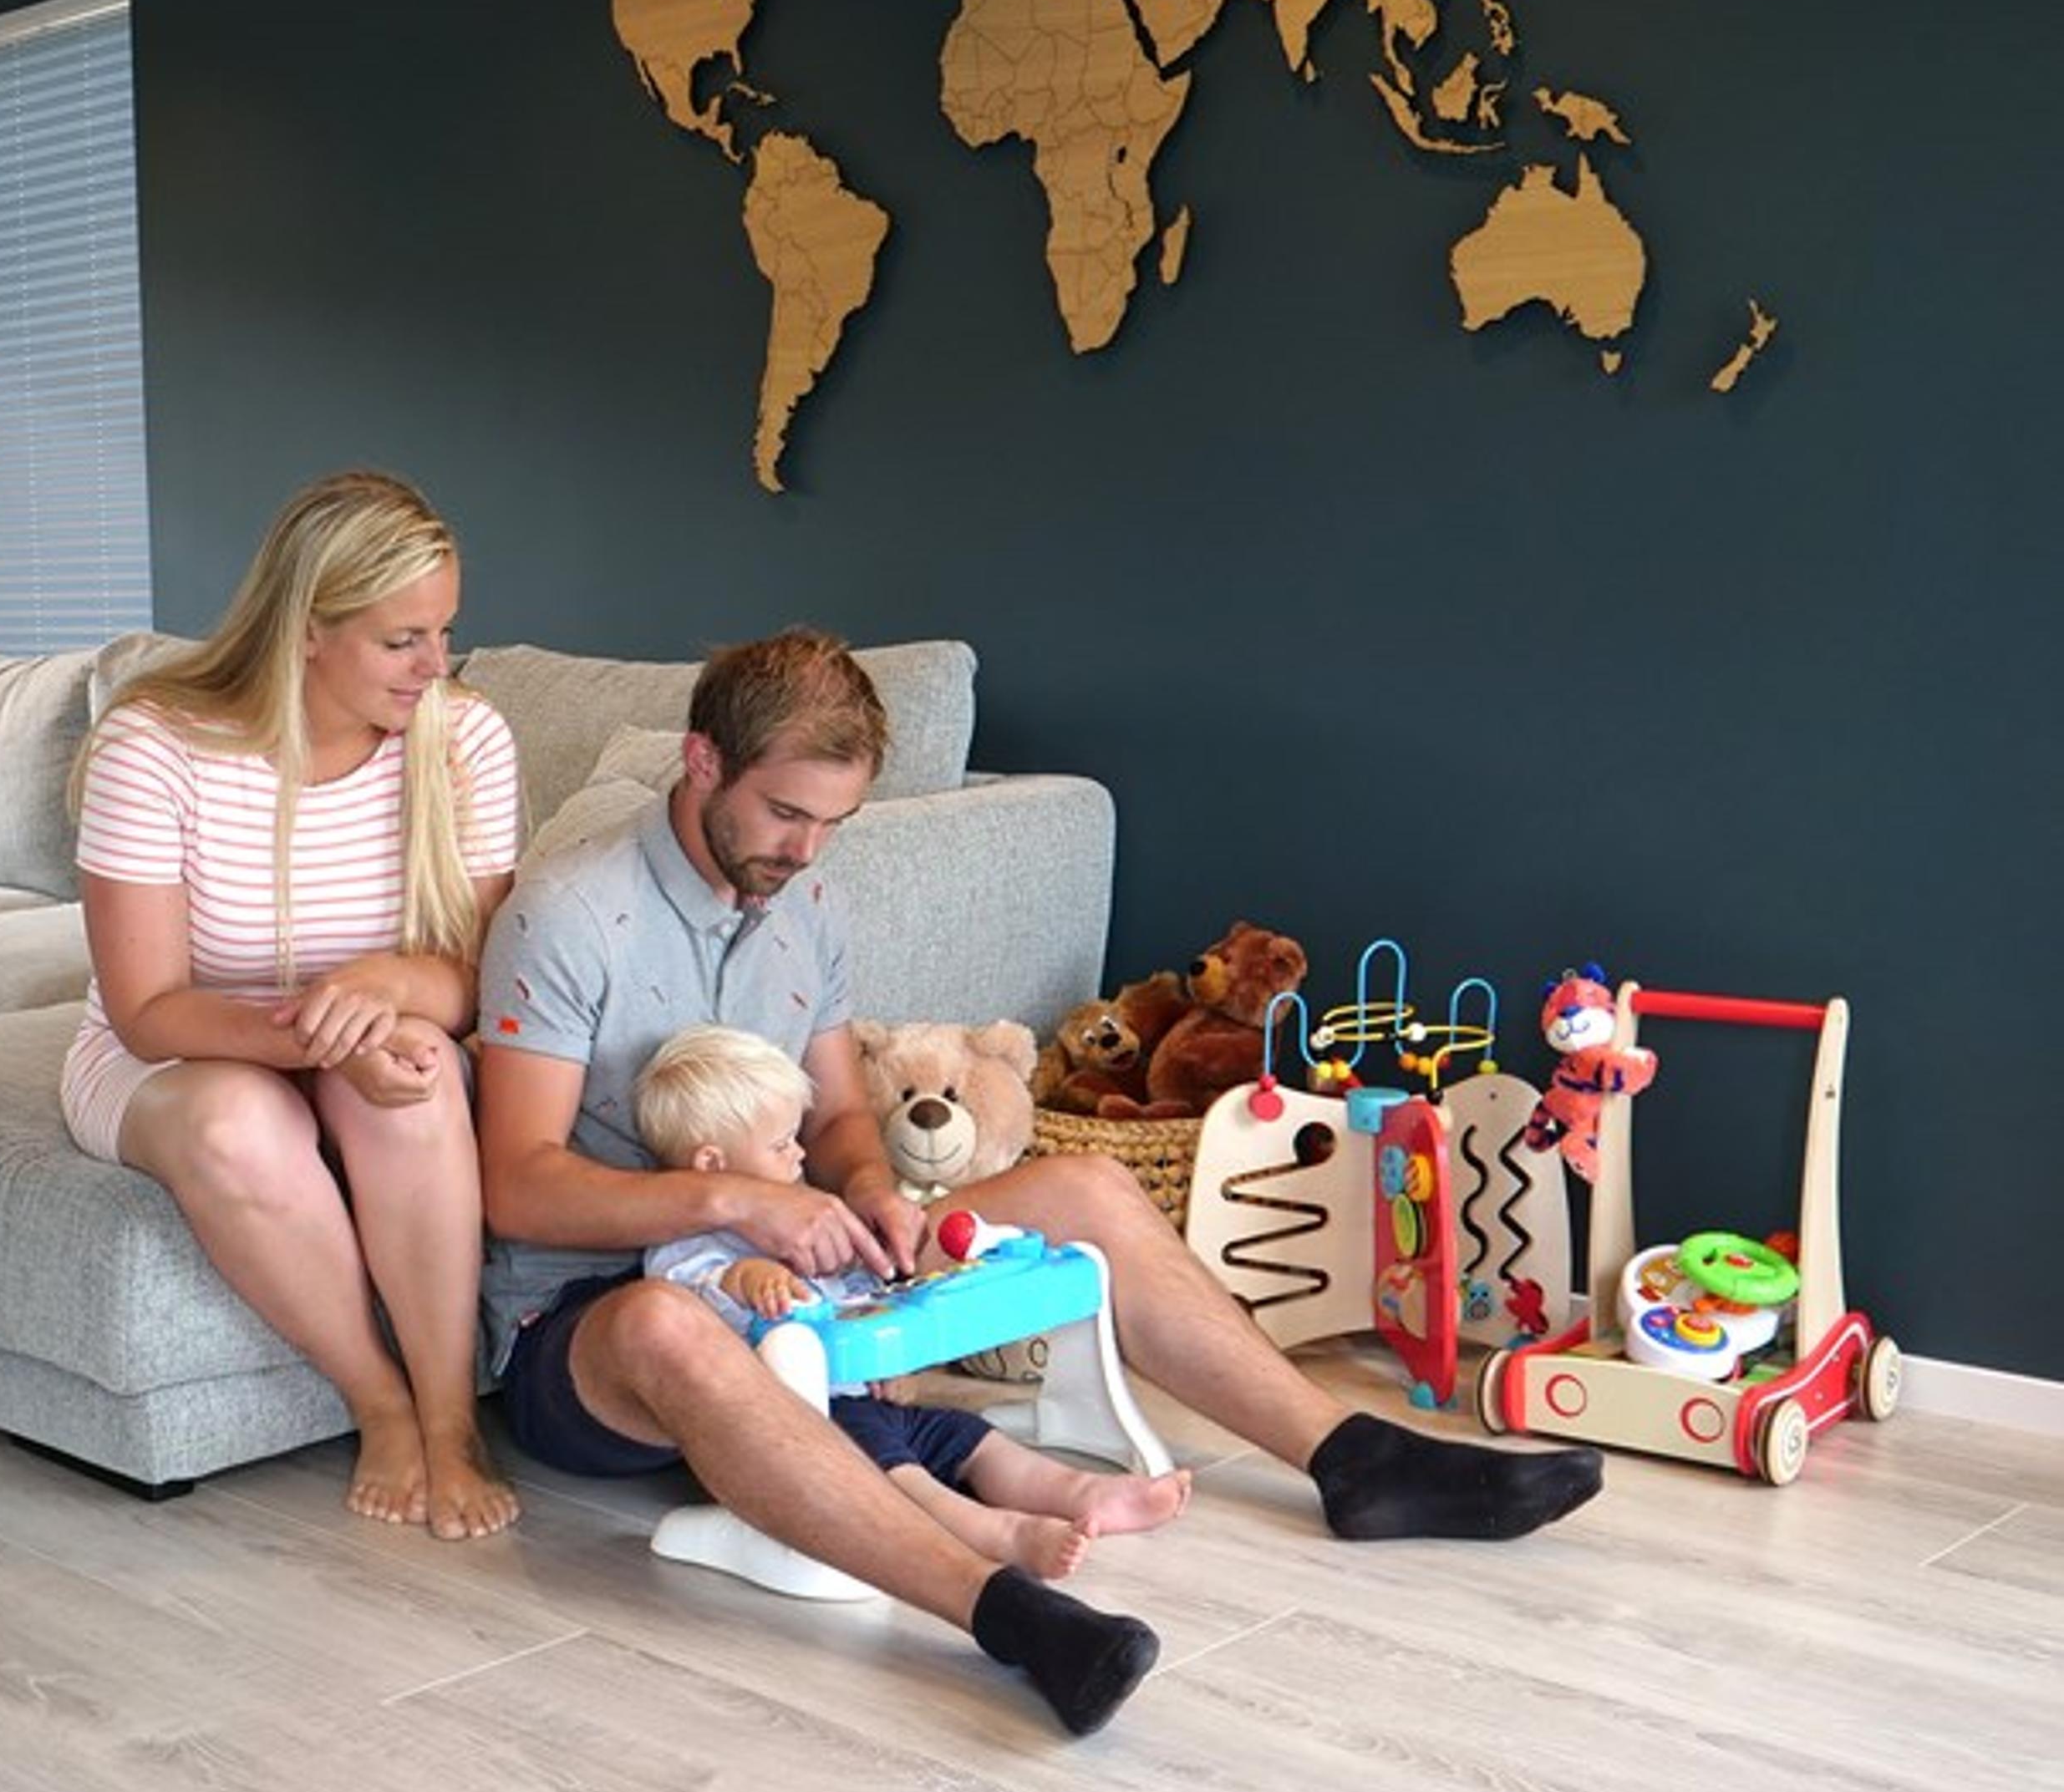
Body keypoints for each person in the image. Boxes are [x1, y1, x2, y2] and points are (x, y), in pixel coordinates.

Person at [476, 627, 1604, 1734]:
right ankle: (1006, 1615)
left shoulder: (801, 903)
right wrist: (735, 1200)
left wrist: (869, 1188)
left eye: (832, 822)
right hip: (594, 1321)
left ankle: (1356, 1460)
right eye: (784, 813)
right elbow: (519, 1186)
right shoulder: (571, 911)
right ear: (702, 761)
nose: (807, 850)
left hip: (792, 1273)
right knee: (670, 1325)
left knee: (1090, 1191)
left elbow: (840, 1116)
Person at [68, 470, 521, 1540]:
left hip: (367, 1029)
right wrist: (322, 1034)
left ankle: (452, 1420)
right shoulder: (155, 747)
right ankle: (381, 1403)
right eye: (401, 640)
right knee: (238, 1120)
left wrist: (383, 989)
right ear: (307, 629)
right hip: (176, 1053)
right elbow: (148, 1009)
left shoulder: (465, 739)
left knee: (414, 1070)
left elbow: (478, 973)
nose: (436, 667)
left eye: (446, 632)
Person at [632, 1023, 1192, 1581]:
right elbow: (693, 1298)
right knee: (906, 1480)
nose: (800, 1153)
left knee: (972, 1440)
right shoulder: (687, 1248)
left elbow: (859, 1298)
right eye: (781, 1145)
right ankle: (1004, 1536)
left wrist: (887, 1357)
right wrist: (746, 1278)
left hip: (866, 1398)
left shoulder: (805, 1213)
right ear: (712, 1164)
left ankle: (1087, 1493)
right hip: (804, 1430)